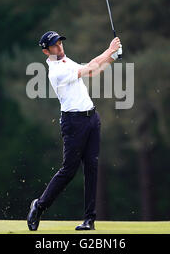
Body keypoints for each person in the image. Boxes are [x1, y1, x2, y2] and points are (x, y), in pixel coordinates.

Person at [26, 30, 122, 231]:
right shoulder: (56, 71)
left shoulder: (66, 63)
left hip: (91, 119)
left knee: (92, 167)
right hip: (73, 123)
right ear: (46, 51)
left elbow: (94, 71)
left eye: (60, 42)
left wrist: (112, 57)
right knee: (69, 170)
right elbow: (87, 69)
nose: (59, 46)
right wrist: (109, 50)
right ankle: (40, 205)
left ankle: (89, 220)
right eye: (54, 45)